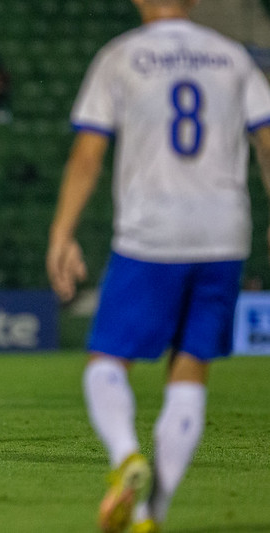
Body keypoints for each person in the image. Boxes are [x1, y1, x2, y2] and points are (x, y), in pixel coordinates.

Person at [46, 1, 270, 532]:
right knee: (190, 371)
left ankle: (126, 456)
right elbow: (267, 142)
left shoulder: (120, 56)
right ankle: (152, 515)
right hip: (224, 233)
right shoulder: (233, 57)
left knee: (106, 360)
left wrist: (62, 233)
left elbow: (87, 155)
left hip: (151, 235)